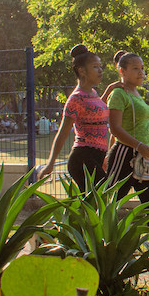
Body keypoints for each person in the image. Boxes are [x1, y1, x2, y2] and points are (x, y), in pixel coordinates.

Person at [37, 45, 111, 193]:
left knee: (95, 205)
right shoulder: (75, 99)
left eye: (100, 66)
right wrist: (51, 164)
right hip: (83, 157)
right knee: (98, 202)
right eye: (95, 67)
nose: (100, 70)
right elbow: (63, 132)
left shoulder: (93, 93)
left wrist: (110, 89)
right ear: (82, 70)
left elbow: (95, 113)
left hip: (97, 156)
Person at [104, 51, 149, 229]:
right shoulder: (118, 94)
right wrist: (138, 146)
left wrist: (145, 148)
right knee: (109, 203)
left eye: (142, 68)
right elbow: (114, 128)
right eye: (135, 68)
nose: (141, 73)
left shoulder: (136, 94)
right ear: (121, 71)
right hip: (126, 154)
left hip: (145, 158)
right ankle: (94, 246)